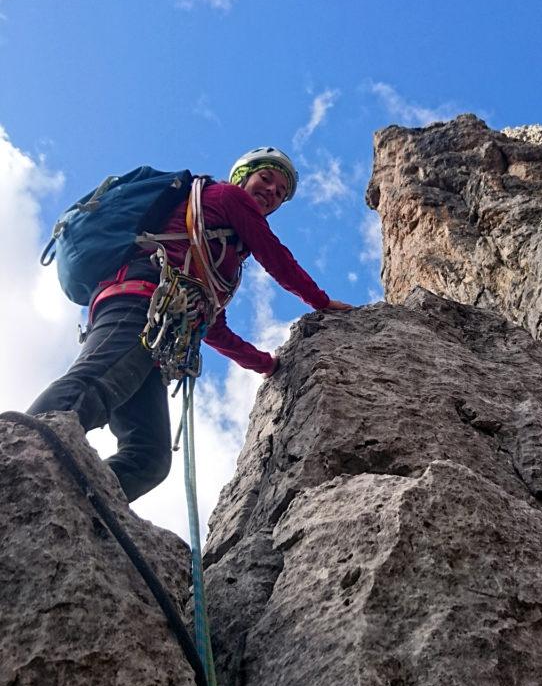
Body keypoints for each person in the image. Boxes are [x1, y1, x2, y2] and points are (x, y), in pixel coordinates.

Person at [28, 147, 352, 502]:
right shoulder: (226, 197)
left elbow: (212, 326)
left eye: (281, 192)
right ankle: (22, 459)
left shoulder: (223, 253)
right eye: (266, 178)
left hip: (159, 333)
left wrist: (266, 364)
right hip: (140, 300)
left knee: (149, 458)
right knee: (95, 384)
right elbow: (274, 255)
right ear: (243, 177)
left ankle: (76, 507)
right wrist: (321, 302)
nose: (272, 192)